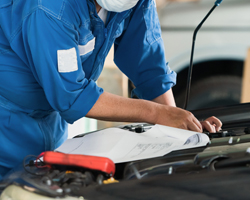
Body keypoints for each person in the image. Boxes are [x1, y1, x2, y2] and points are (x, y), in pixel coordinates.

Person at [0, 0, 222, 180]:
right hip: (5, 128)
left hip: (49, 125)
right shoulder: (50, 7)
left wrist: (180, 129)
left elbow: (149, 66)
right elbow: (72, 96)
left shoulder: (132, 2)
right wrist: (157, 113)